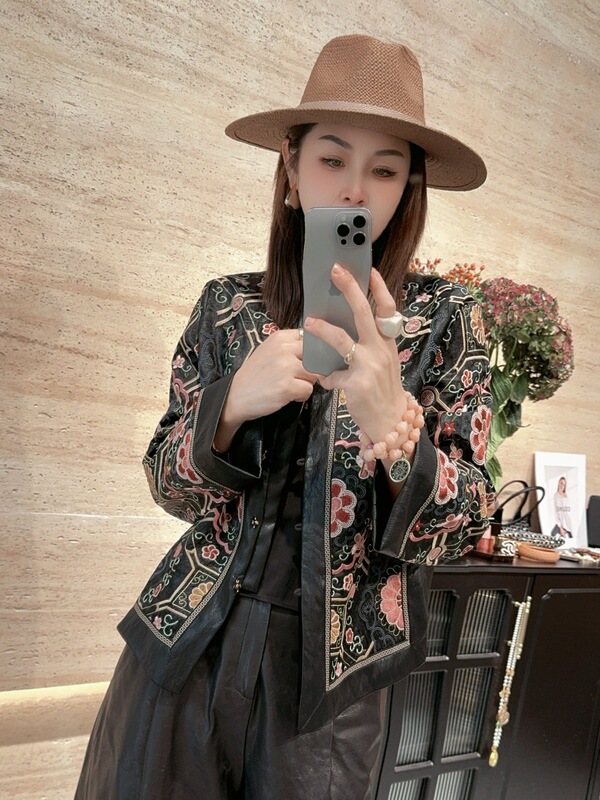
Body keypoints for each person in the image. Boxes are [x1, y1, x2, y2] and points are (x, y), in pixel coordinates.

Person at [75, 34, 493, 800]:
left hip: (330, 688)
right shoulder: (227, 307)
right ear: (292, 169)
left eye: (385, 169)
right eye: (332, 159)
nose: (355, 189)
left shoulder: (445, 323)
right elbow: (168, 483)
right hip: (183, 646)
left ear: (409, 188)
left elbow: (467, 522)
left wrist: (394, 423)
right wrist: (231, 404)